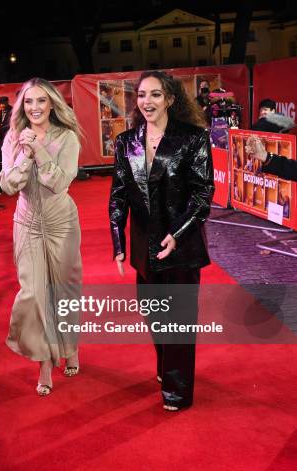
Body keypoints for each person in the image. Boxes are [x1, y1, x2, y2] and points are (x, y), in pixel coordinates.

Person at [109, 70, 214, 411]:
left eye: (155, 94)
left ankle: (178, 390)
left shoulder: (193, 138)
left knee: (179, 320)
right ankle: (168, 365)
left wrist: (178, 234)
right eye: (142, 95)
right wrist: (118, 244)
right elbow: (118, 195)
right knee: (153, 315)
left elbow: (202, 195)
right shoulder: (126, 142)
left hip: (182, 246)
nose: (147, 101)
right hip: (144, 247)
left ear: (170, 99)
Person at [0, 77, 82, 397]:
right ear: (22, 106)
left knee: (64, 292)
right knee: (34, 294)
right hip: (27, 223)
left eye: (41, 101)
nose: (35, 108)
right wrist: (24, 152)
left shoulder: (67, 137)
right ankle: (44, 362)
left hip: (62, 223)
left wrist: (39, 151)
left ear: (52, 105)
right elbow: (7, 185)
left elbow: (59, 182)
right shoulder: (12, 138)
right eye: (28, 102)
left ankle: (70, 348)